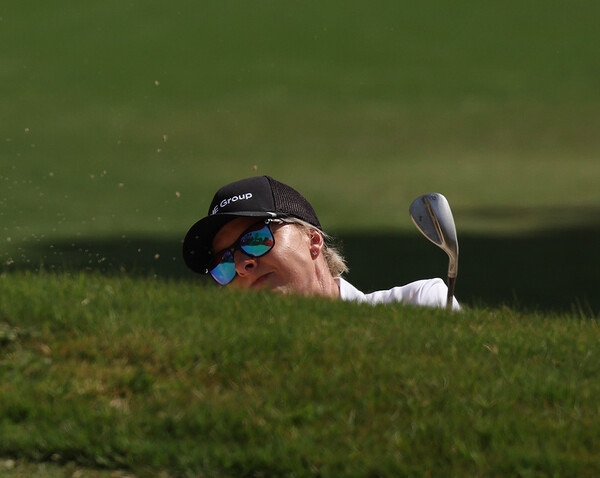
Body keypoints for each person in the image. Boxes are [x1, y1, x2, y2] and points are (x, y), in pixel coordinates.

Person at [183, 176, 460, 310]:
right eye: (225, 263)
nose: (243, 265)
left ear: (312, 240)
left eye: (255, 239)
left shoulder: (421, 305)